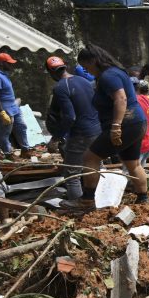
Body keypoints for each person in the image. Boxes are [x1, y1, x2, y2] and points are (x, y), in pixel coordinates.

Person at [60, 44, 148, 212]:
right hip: (137, 122)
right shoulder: (117, 72)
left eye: (87, 66)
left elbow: (120, 99)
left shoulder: (108, 76)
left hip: (125, 123)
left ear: (94, 60)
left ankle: (86, 200)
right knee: (133, 164)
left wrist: (116, 127)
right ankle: (143, 199)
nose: (87, 70)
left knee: (89, 158)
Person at [45, 56, 102, 201]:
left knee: (72, 174)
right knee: (93, 167)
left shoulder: (60, 87)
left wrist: (55, 138)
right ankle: (99, 201)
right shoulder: (84, 80)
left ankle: (77, 206)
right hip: (97, 130)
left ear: (51, 73)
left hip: (81, 134)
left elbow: (70, 117)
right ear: (65, 67)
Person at [0, 52, 32, 158]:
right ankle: (8, 154)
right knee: (5, 133)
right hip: (6, 109)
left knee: (22, 126)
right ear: (1, 63)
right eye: (9, 63)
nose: (11, 65)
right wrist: (2, 112)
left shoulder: (4, 75)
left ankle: (25, 150)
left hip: (13, 107)